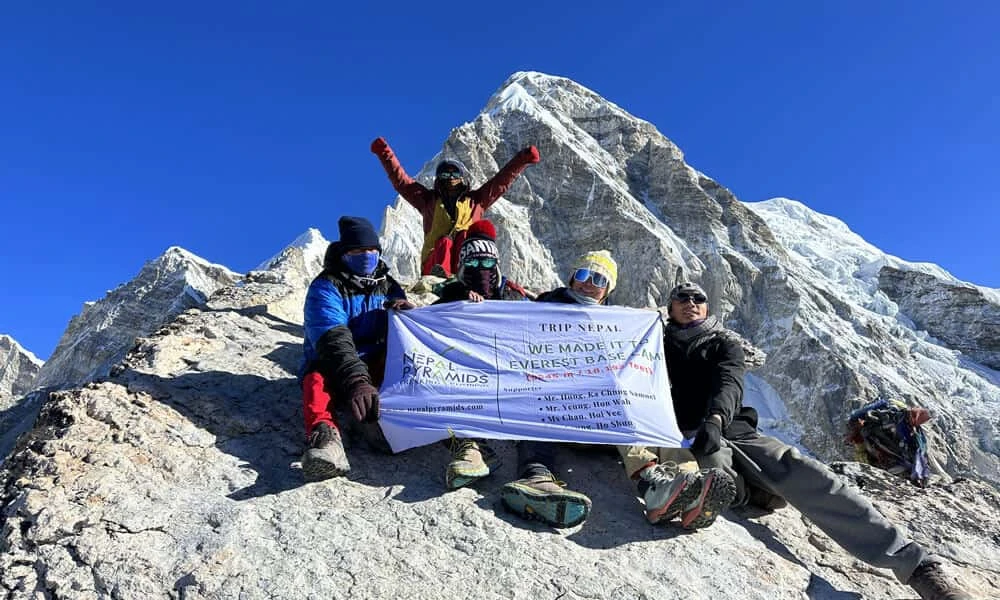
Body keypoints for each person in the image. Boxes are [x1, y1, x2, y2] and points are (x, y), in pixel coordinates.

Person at [666, 281, 971, 600]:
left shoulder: (723, 344)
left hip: (735, 430)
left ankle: (918, 567)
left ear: (707, 306)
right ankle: (754, 493)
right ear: (670, 306)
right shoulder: (656, 340)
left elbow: (729, 383)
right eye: (682, 298)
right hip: (688, 436)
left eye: (698, 297)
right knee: (711, 472)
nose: (691, 302)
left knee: (806, 473)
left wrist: (716, 419)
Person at [499, 251, 618, 528]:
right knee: (539, 395)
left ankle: (650, 478)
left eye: (599, 279)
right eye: (583, 275)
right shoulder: (544, 307)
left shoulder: (617, 325)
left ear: (607, 290)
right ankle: (537, 476)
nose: (589, 283)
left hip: (594, 415)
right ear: (571, 278)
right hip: (552, 403)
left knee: (627, 404)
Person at [299, 216, 414, 481]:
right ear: (344, 252)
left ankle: (390, 424)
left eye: (372, 250)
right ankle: (326, 439)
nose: (367, 255)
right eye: (358, 251)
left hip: (376, 359)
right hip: (334, 363)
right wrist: (356, 381)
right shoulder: (325, 287)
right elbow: (333, 337)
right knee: (316, 380)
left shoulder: (387, 285)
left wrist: (405, 314)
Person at [431, 219, 527, 488]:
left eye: (487, 264)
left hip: (509, 377)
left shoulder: (512, 294)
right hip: (465, 375)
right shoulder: (452, 293)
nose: (480, 270)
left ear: (496, 265)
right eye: (472, 264)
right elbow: (426, 324)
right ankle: (471, 448)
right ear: (462, 266)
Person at [370, 137, 540, 277]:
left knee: (464, 236)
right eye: (445, 174)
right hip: (434, 262)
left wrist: (523, 159)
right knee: (445, 241)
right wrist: (385, 153)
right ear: (439, 179)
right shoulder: (428, 201)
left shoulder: (476, 200)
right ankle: (441, 276)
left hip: (469, 261)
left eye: (455, 173)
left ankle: (464, 274)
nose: (450, 177)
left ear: (462, 178)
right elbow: (402, 182)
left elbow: (501, 182)